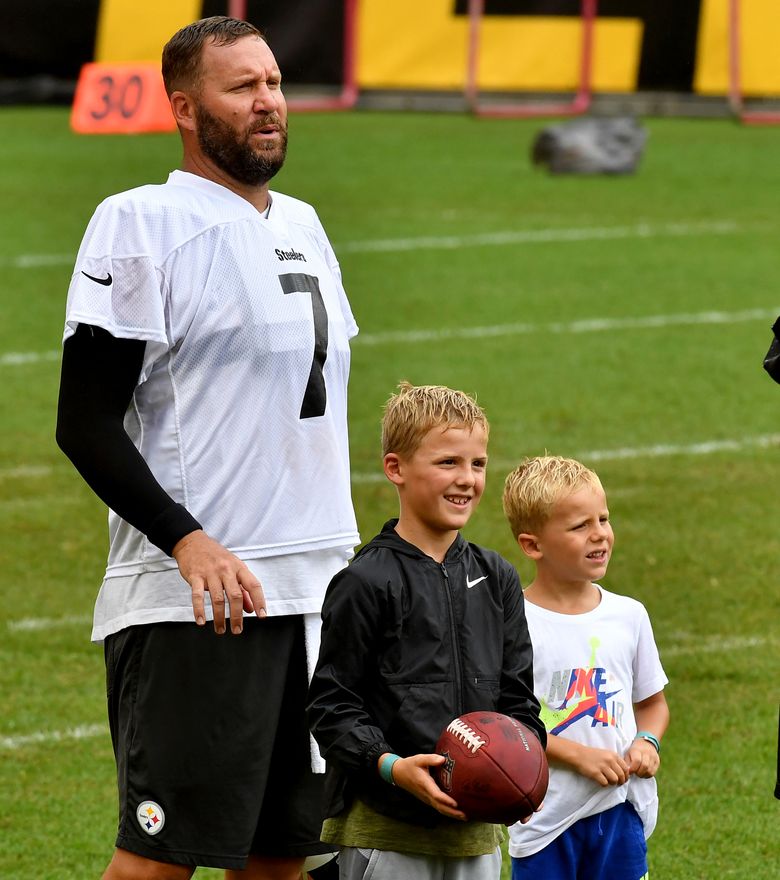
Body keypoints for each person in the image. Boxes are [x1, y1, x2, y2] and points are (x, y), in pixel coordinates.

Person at [55, 16, 359, 880]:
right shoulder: (139, 221)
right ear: (185, 109)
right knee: (157, 862)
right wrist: (186, 538)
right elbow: (83, 422)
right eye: (243, 88)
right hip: (200, 604)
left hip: (315, 598)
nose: (269, 103)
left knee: (279, 862)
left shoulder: (304, 222)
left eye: (273, 82)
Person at [307, 382, 546, 880]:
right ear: (396, 468)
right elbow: (332, 707)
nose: (467, 479)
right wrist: (392, 766)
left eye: (477, 464)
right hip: (386, 833)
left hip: (476, 836)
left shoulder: (497, 576)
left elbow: (518, 701)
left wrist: (525, 769)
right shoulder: (364, 581)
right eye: (447, 463)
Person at [501, 456, 670, 880]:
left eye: (604, 519)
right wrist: (577, 756)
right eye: (579, 526)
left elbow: (653, 704)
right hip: (543, 821)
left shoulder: (629, 615)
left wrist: (647, 741)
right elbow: (506, 725)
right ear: (532, 545)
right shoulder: (513, 621)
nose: (600, 535)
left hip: (619, 810)